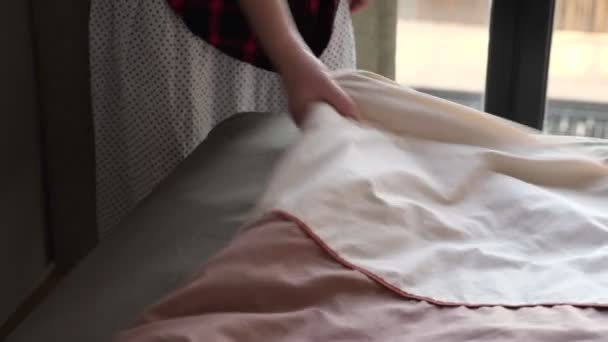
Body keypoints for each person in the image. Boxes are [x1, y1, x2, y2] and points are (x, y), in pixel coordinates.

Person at [90, 0, 368, 234]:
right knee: (176, 235)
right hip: (194, 21)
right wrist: (291, 55)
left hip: (307, 28)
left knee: (302, 217)